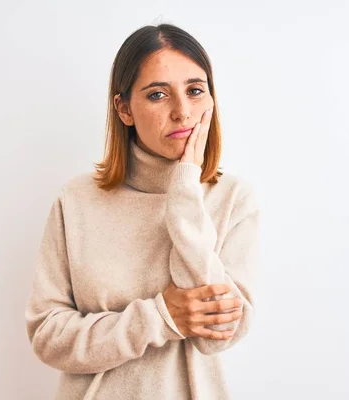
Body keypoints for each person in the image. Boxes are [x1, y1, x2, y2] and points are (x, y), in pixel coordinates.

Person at [25, 23, 260, 400]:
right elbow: (48, 336)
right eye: (157, 95)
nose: (182, 112)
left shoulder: (233, 198)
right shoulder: (76, 200)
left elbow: (219, 335)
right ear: (124, 109)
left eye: (195, 91)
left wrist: (185, 188)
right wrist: (160, 317)